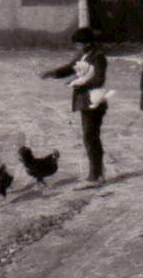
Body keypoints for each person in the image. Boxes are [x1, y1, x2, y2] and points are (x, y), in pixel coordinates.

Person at [41, 27, 110, 185]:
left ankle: (96, 175)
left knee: (90, 137)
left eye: (79, 44)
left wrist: (78, 84)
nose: (77, 48)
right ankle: (98, 172)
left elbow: (99, 79)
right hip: (85, 102)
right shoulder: (83, 55)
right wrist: (52, 73)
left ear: (88, 43)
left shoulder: (98, 57)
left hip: (94, 101)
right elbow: (70, 67)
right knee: (90, 137)